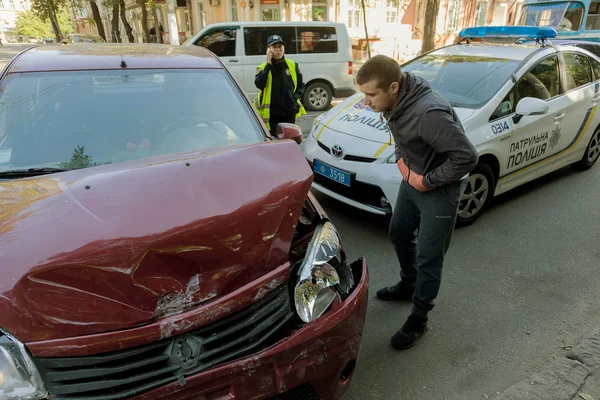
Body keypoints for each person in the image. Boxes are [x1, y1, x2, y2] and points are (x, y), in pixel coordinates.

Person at [356, 55, 478, 350]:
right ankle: (408, 284)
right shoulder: (396, 101)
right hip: (412, 181)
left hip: (438, 191)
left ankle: (419, 317)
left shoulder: (428, 113)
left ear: (394, 87)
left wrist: (427, 180)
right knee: (398, 233)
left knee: (429, 257)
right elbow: (401, 138)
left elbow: (467, 157)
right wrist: (402, 164)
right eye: (364, 94)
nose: (367, 102)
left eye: (371, 95)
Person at [254, 34, 306, 137]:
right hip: (272, 115)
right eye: (274, 47)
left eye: (280, 47)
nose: (278, 50)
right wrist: (268, 65)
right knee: (274, 143)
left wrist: (294, 98)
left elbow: (301, 85)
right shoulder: (263, 67)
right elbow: (259, 84)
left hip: (289, 113)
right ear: (268, 50)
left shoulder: (292, 65)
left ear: (284, 48)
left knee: (289, 141)